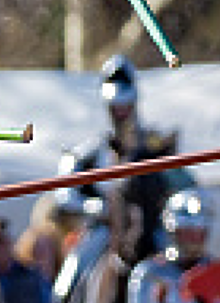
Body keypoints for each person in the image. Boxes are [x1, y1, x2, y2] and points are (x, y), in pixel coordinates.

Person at [57, 55, 184, 264]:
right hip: (104, 228)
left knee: (176, 265)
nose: (121, 113)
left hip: (150, 225)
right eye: (116, 108)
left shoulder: (153, 146)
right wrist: (96, 207)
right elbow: (65, 194)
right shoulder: (88, 151)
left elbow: (179, 184)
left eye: (125, 107)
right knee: (74, 270)